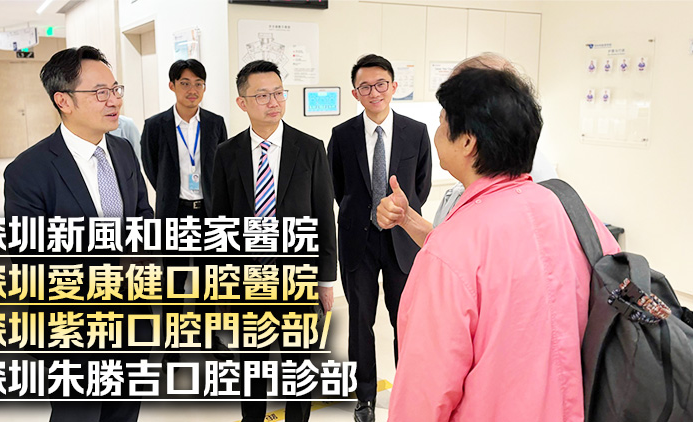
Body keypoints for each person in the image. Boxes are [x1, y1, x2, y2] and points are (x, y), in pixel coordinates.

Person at [387, 68, 620, 421]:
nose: (437, 132)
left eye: (442, 121)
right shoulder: (574, 213)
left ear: (467, 142)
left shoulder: (451, 248)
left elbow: (423, 393)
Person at [4, 46, 153, 422]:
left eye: (115, 89)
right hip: (72, 329)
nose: (114, 100)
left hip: (132, 320)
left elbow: (143, 216)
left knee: (124, 414)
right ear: (63, 101)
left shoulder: (122, 151)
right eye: (100, 92)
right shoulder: (29, 170)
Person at [211, 60, 336, 422]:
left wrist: (325, 280)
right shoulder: (227, 153)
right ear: (242, 103)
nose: (274, 102)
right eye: (262, 95)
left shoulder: (310, 148)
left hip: (298, 277)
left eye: (279, 93)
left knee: (298, 367)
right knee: (251, 366)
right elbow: (219, 222)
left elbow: (324, 217)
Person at [327, 54, 431, 422]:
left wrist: (398, 216)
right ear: (355, 93)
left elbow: (421, 185)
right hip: (359, 241)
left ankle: (409, 392)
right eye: (365, 87)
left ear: (394, 86)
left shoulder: (416, 131)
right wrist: (367, 215)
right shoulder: (342, 135)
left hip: (403, 240)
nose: (374, 92)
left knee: (406, 321)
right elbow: (338, 187)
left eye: (381, 84)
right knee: (360, 322)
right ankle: (365, 398)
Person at [376, 53, 558, 245]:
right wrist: (407, 218)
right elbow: (449, 244)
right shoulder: (485, 172)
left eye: (445, 119)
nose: (438, 131)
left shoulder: (517, 192)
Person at [141, 59, 229, 365]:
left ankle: (208, 336)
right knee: (173, 280)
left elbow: (222, 166)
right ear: (172, 86)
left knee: (208, 279)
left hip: (208, 213)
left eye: (198, 84)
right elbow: (151, 167)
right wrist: (169, 193)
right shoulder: (155, 125)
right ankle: (172, 342)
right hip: (174, 212)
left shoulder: (215, 123)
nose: (193, 90)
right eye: (185, 83)